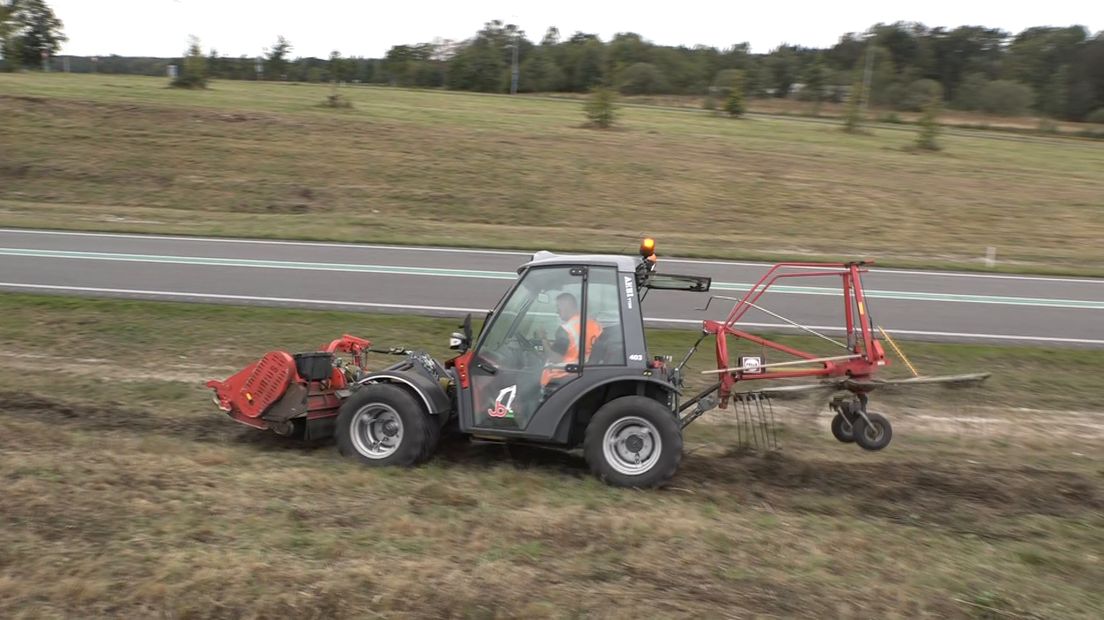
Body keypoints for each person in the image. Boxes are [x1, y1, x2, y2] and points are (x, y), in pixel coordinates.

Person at [539, 292, 601, 387]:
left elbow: (555, 358)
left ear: (566, 307)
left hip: (559, 379)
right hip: (582, 376)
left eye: (558, 307)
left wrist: (543, 338)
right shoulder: (594, 325)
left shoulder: (565, 329)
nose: (557, 311)